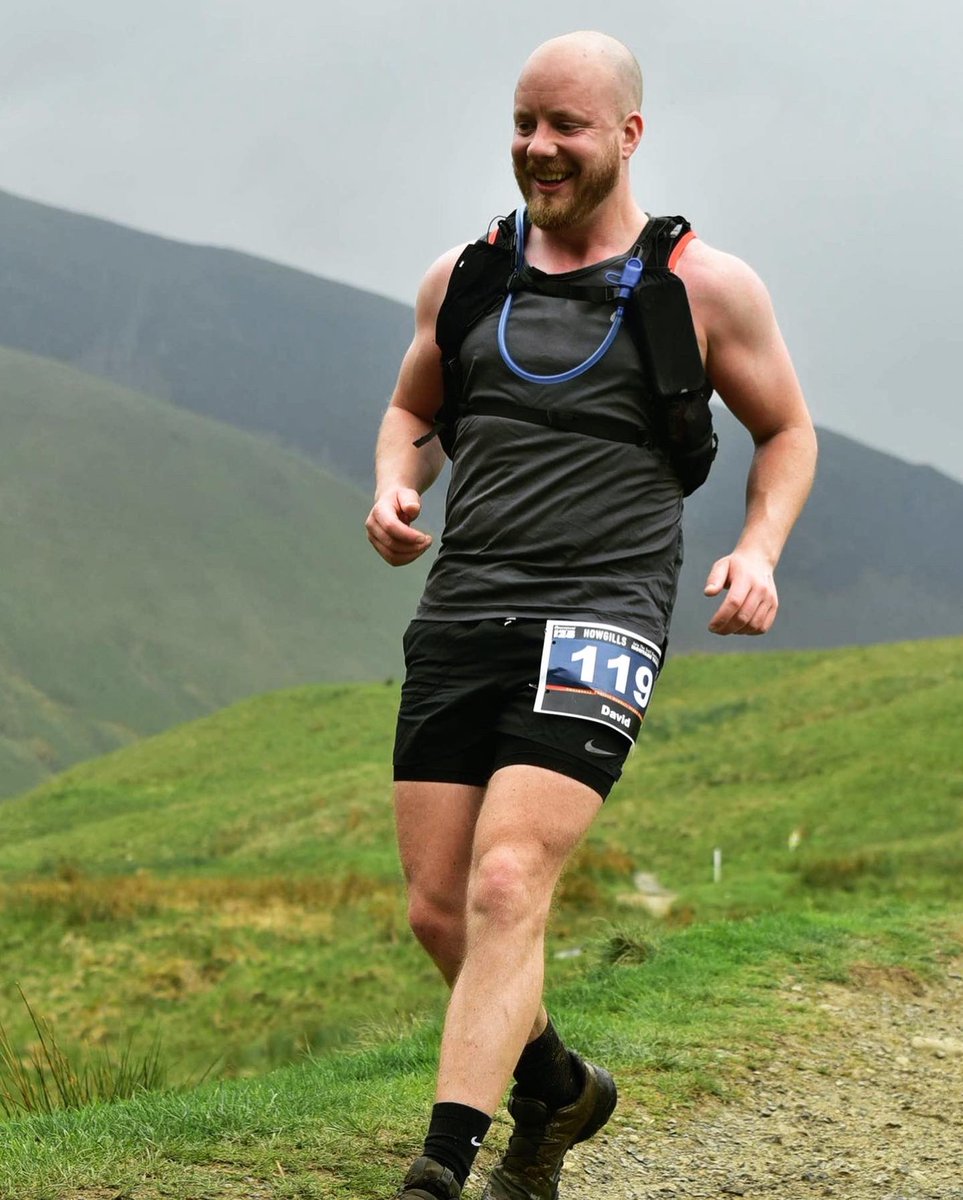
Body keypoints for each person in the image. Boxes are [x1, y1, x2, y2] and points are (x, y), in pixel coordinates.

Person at [365, 29, 816, 1200]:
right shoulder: (464, 276)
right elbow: (413, 410)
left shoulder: (701, 289)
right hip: (464, 609)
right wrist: (395, 484)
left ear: (628, 134)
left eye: (566, 125)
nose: (539, 147)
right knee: (437, 910)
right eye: (524, 122)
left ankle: (439, 1171)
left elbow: (788, 431)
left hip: (601, 617)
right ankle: (561, 1089)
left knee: (509, 885)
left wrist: (757, 552)